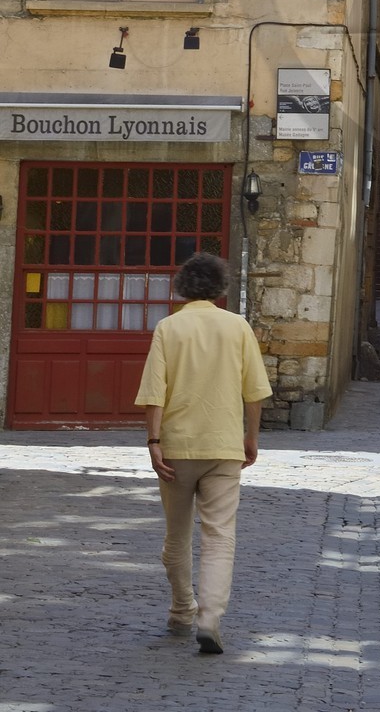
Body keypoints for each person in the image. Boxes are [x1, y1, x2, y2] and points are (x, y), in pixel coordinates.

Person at [134, 252, 272, 656]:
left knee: (176, 535)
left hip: (177, 447)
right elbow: (255, 392)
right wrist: (251, 437)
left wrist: (154, 441)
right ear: (220, 289)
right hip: (224, 445)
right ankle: (209, 617)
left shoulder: (168, 328)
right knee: (219, 536)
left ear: (182, 287)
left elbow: (153, 393)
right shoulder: (238, 327)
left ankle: (181, 609)